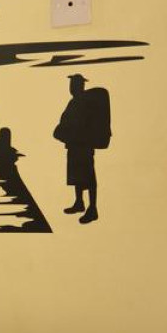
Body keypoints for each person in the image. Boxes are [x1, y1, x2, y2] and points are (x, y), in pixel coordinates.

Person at [52, 74, 110, 224]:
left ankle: (93, 208)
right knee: (76, 175)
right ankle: (79, 202)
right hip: (74, 145)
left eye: (74, 85)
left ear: (80, 86)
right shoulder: (74, 102)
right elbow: (65, 120)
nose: (71, 88)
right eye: (71, 85)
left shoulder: (85, 103)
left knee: (88, 177)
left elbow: (82, 123)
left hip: (83, 145)